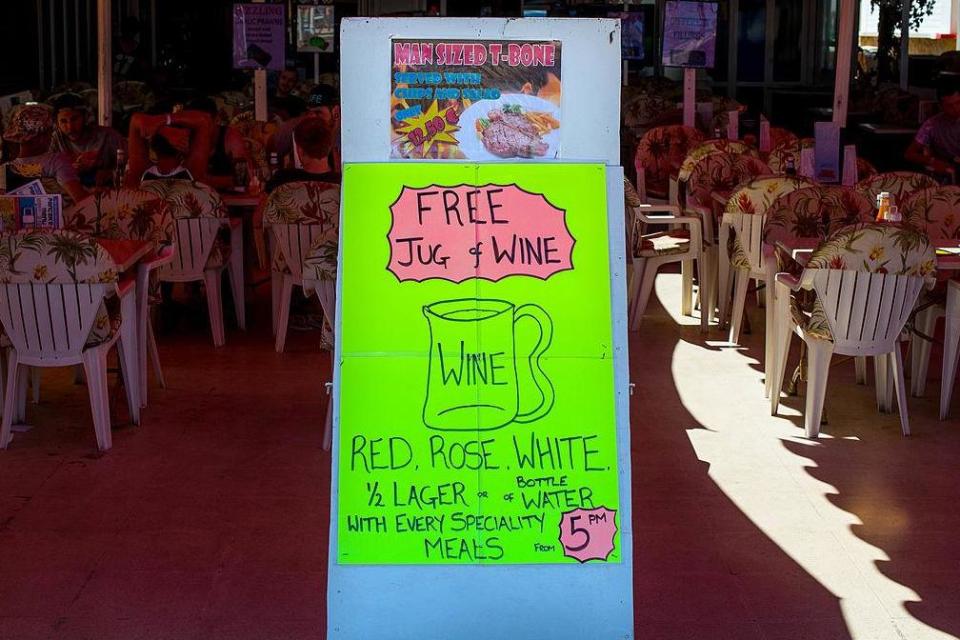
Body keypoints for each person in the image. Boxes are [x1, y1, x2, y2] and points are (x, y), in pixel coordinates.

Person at [2, 104, 88, 204]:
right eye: (50, 134)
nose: (51, 138)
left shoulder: (3, 171)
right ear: (41, 138)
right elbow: (82, 201)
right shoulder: (56, 162)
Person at [49, 93, 125, 188]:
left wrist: (110, 174)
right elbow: (46, 171)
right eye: (63, 121)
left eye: (75, 119)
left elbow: (133, 167)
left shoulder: (107, 136)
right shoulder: (56, 139)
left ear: (85, 117)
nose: (70, 127)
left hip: (107, 193)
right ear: (57, 123)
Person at [124, 110, 214, 186]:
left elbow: (134, 120)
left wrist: (161, 130)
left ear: (153, 145)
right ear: (182, 145)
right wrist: (166, 120)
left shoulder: (141, 172)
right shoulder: (193, 173)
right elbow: (204, 120)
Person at [268, 84, 340, 170]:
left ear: (336, 112)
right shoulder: (296, 127)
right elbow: (273, 147)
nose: (312, 117)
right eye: (309, 112)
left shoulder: (351, 130)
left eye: (318, 113)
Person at [186, 96, 251, 191]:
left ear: (216, 119)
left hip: (227, 200)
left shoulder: (230, 137)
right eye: (196, 125)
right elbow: (184, 179)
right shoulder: (184, 137)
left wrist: (202, 180)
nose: (200, 129)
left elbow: (244, 178)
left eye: (204, 124)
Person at [905, 73, 960, 178]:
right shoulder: (932, 124)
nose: (955, 109)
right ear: (940, 106)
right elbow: (909, 153)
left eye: (958, 103)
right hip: (948, 171)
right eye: (949, 106)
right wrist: (932, 161)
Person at [265, 117, 340, 193]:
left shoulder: (280, 182)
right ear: (329, 147)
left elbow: (265, 203)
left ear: (300, 151)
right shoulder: (345, 185)